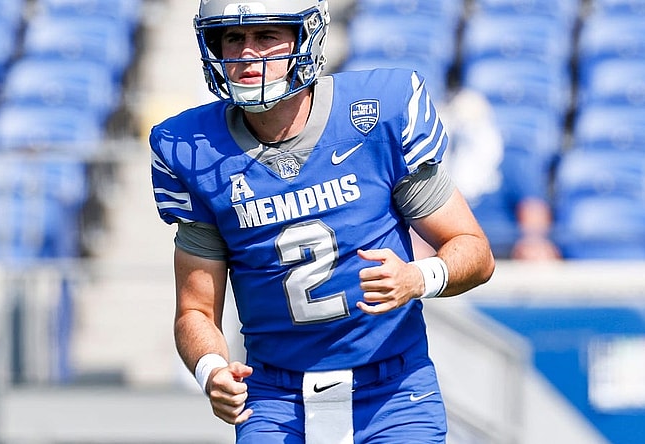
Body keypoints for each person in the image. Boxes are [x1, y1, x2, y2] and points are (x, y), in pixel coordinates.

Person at [148, 1, 495, 442]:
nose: (248, 54)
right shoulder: (194, 150)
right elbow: (195, 311)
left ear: (305, 36)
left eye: (266, 35)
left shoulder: (375, 117)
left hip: (392, 393)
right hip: (276, 397)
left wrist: (418, 277)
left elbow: (475, 252)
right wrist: (212, 370)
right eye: (233, 38)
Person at [413, 89, 560, 261]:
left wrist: (532, 240)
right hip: (446, 245)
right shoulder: (429, 164)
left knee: (537, 254)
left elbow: (533, 209)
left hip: (503, 246)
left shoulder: (509, 157)